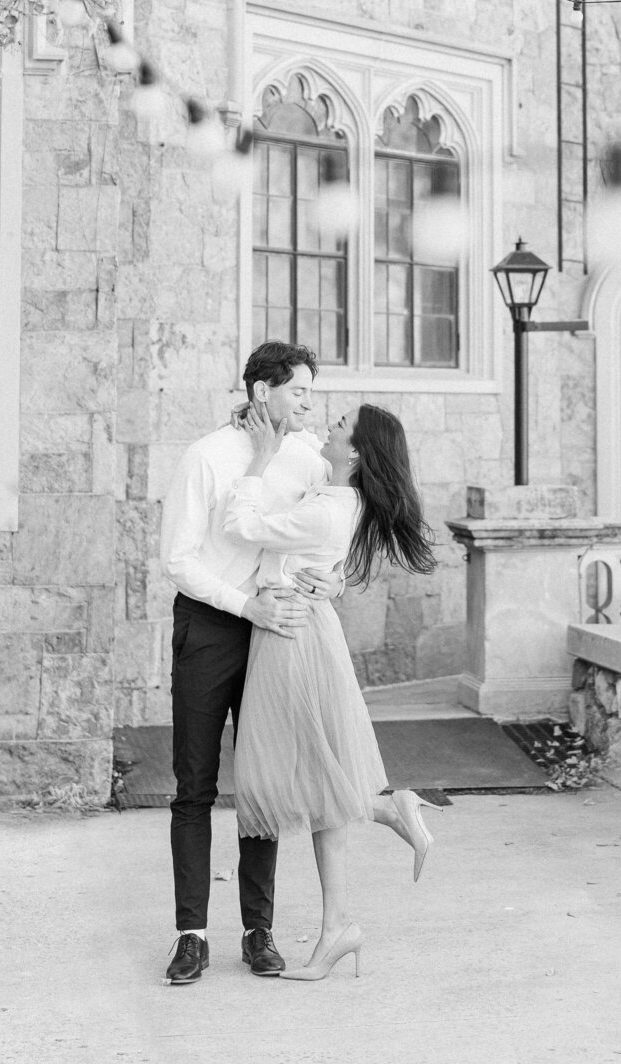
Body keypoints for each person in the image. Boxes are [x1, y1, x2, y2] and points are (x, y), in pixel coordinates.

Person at [223, 401, 439, 981]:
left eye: (340, 426)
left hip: (292, 633)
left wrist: (260, 458)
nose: (327, 427)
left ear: (357, 453)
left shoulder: (331, 507)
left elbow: (242, 526)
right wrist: (335, 576)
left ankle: (386, 810)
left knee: (287, 777)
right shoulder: (333, 492)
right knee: (314, 776)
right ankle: (338, 924)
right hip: (299, 625)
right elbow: (314, 543)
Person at [158, 340, 343, 987]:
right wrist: (245, 606)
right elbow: (178, 558)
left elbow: (327, 536)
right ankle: (191, 936)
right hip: (211, 628)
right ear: (262, 391)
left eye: (310, 395)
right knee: (195, 786)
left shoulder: (309, 457)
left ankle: (257, 932)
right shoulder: (205, 456)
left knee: (262, 785)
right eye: (299, 392)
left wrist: (330, 581)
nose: (308, 405)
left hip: (278, 630)